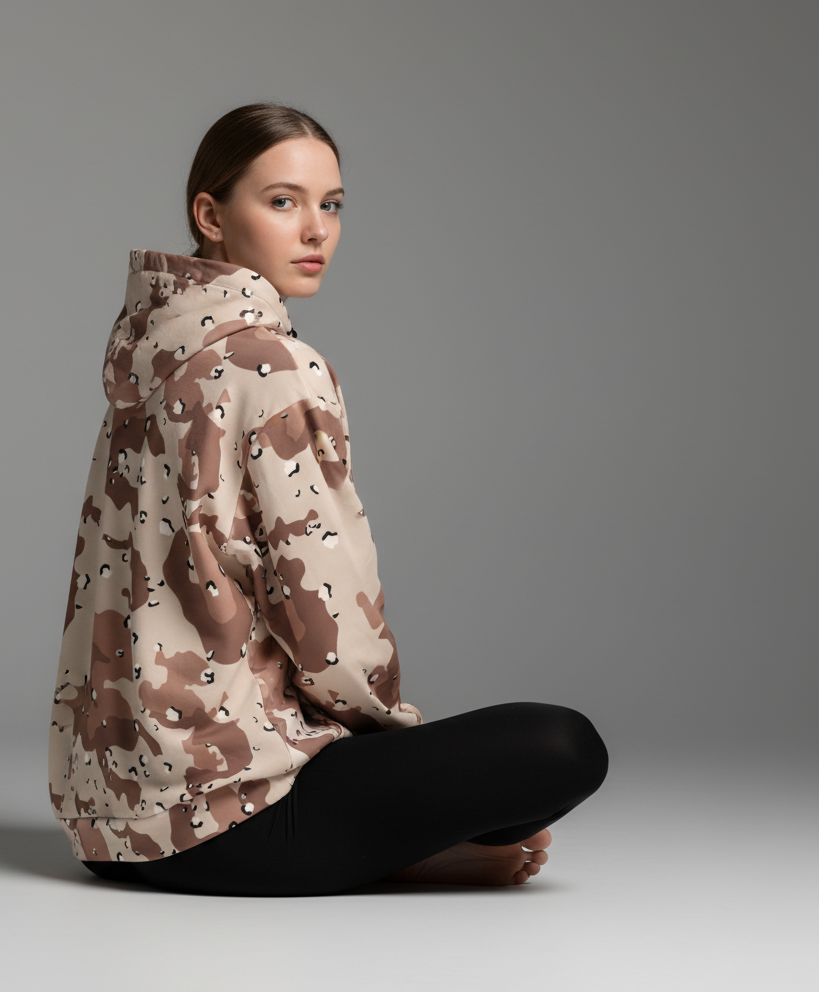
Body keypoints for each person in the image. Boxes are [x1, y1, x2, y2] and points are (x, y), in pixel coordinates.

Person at [48, 103, 608, 897]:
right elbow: (331, 630)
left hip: (107, 826)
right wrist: (411, 768)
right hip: (231, 819)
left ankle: (396, 843)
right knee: (564, 747)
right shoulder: (277, 367)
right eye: (282, 202)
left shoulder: (149, 354)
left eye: (331, 205)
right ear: (211, 215)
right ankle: (402, 850)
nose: (315, 230)